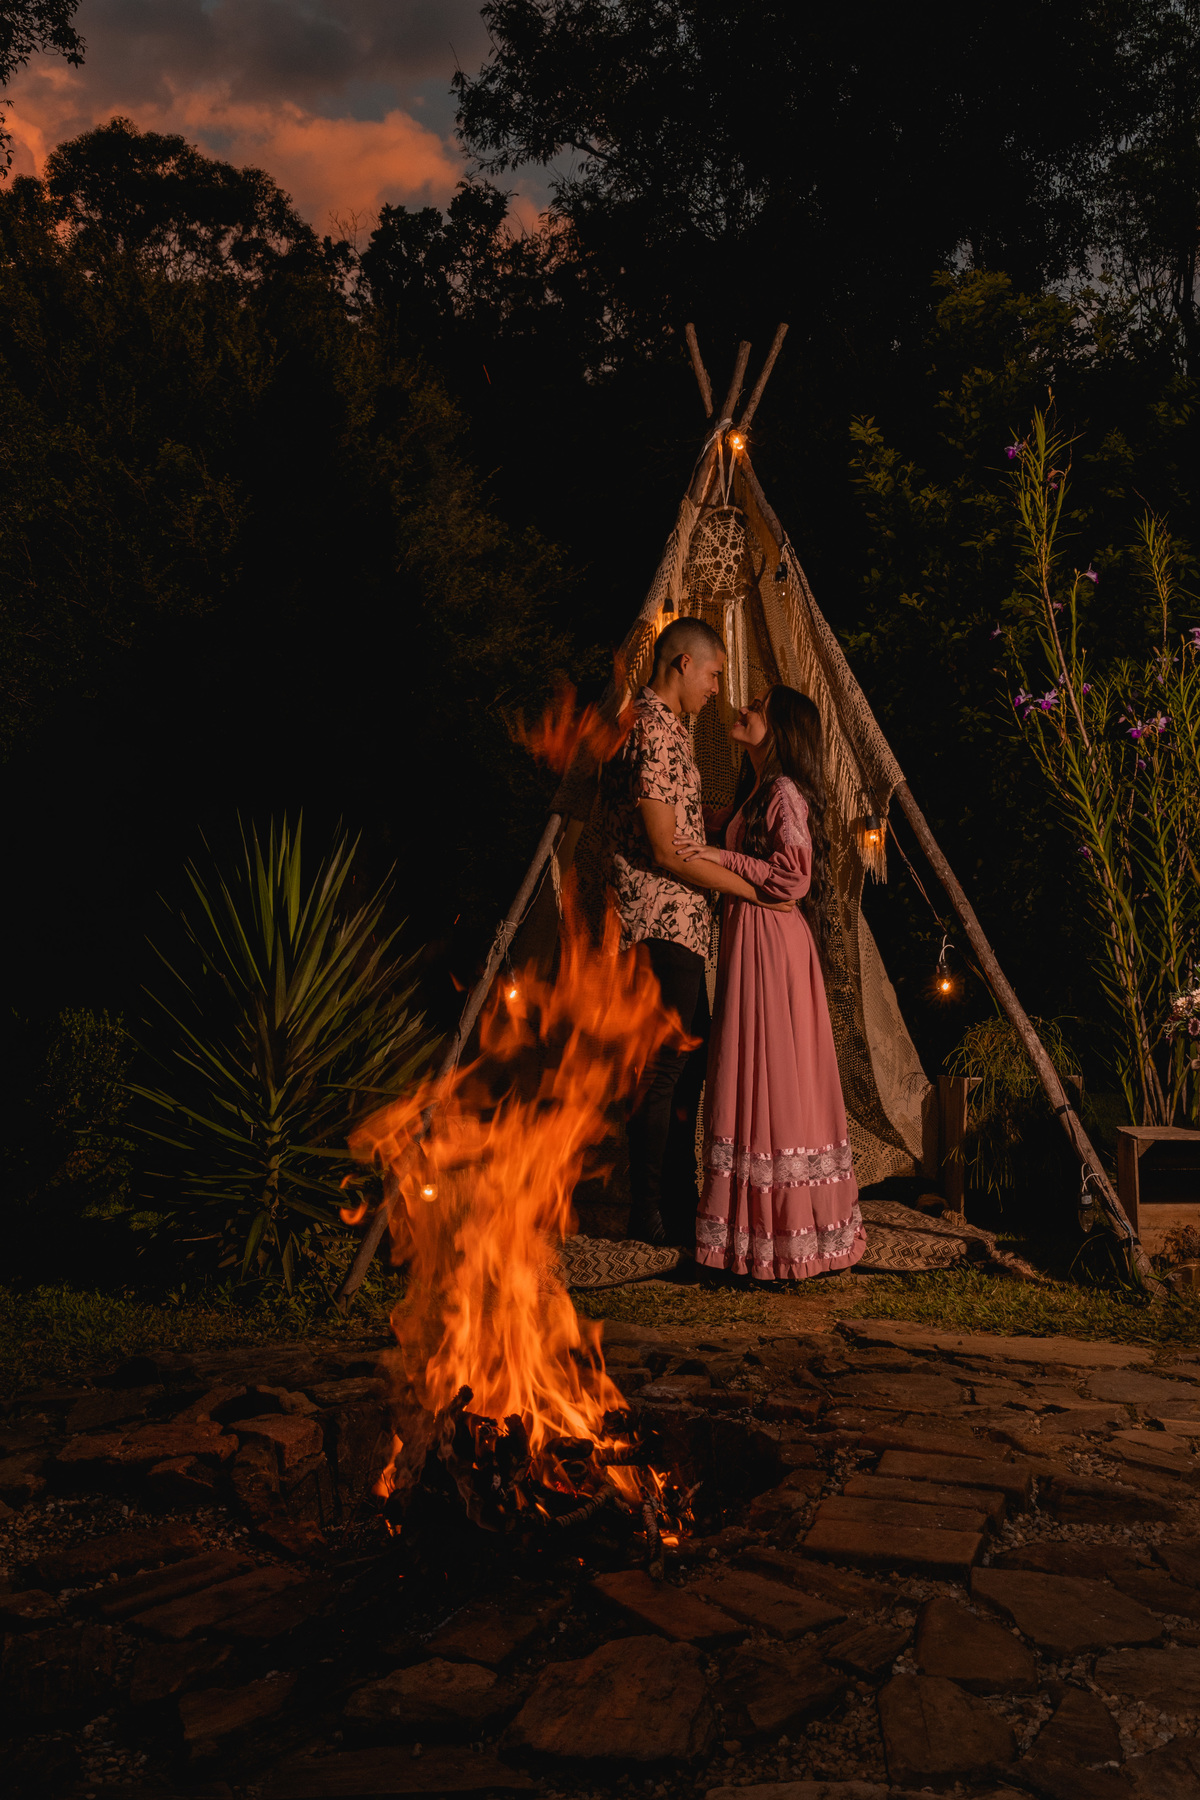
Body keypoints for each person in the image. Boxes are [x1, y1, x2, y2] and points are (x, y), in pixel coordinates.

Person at [598, 619, 792, 1247]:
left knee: (687, 1064)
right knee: (663, 1068)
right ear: (683, 663)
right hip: (657, 921)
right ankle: (650, 1212)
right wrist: (758, 890)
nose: (717, 689)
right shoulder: (651, 729)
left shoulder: (672, 730)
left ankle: (679, 1205)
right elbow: (664, 849)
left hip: (681, 924)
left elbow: (682, 824)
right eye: (713, 674)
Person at [676, 685, 865, 1279]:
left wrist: (718, 858)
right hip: (753, 936)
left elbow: (793, 877)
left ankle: (784, 1233)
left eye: (756, 707)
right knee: (750, 1064)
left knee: (770, 1067)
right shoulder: (760, 790)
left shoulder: (783, 791)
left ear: (779, 728)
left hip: (773, 944)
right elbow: (738, 838)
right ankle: (751, 1232)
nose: (743, 710)